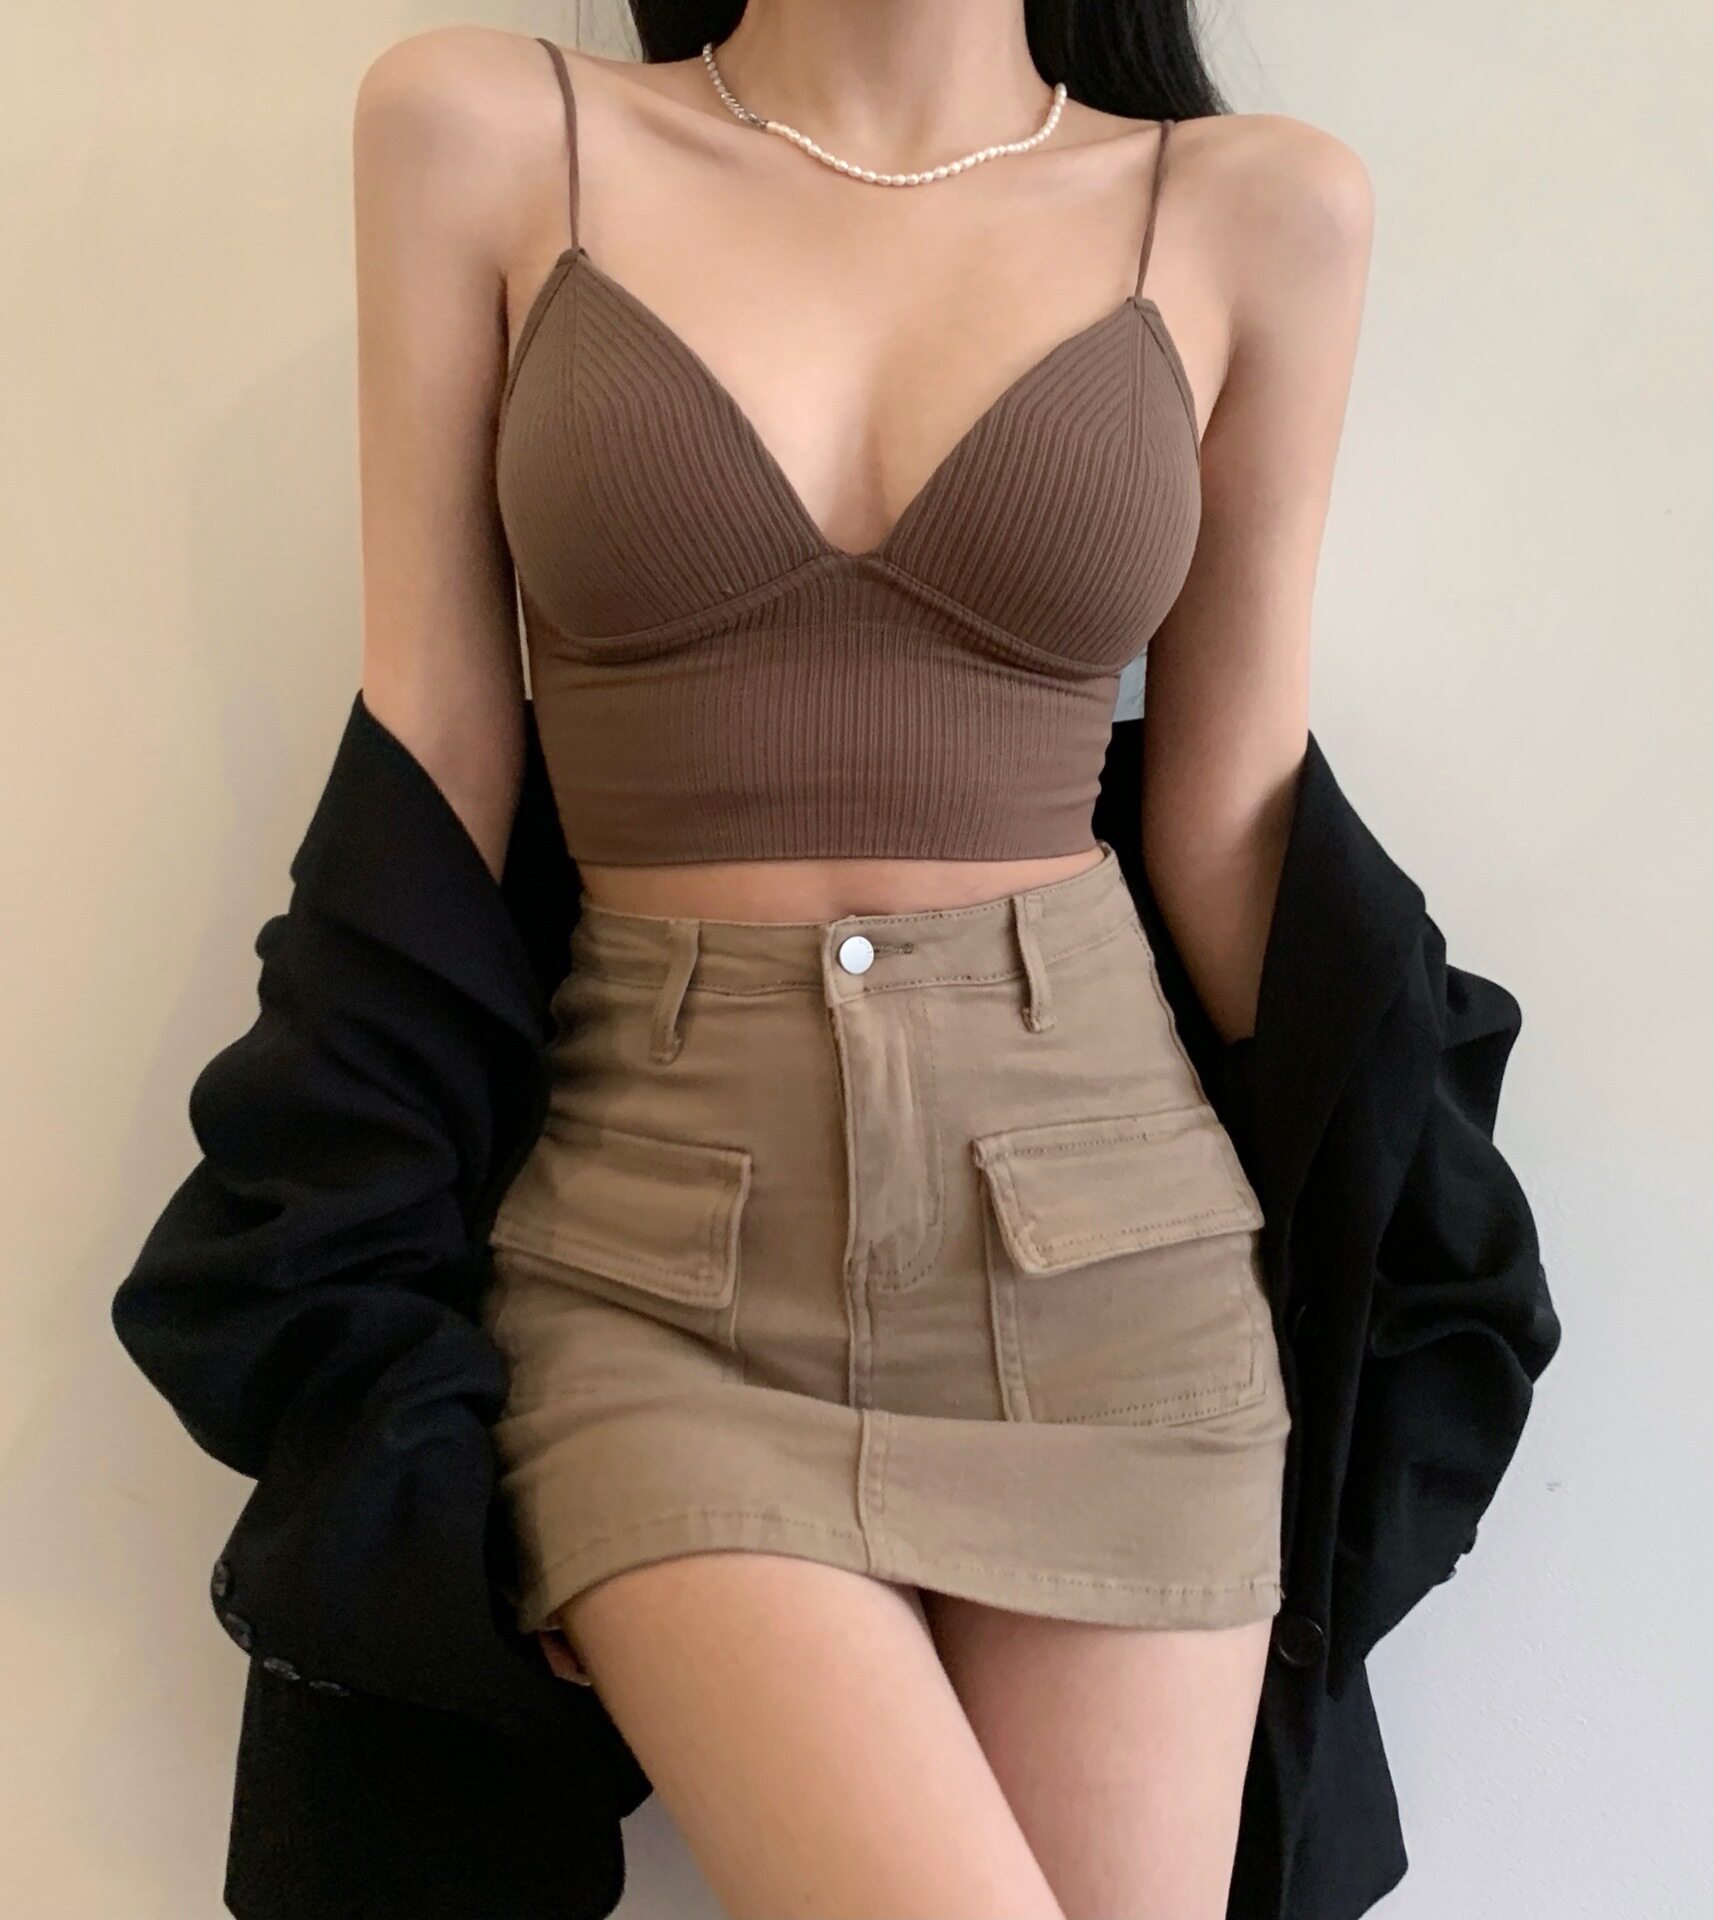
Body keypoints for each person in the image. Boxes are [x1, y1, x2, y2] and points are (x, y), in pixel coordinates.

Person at [348, 6, 1372, 1915]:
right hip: (655, 1256)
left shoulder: (1254, 205)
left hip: (1112, 1259)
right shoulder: (488, 127)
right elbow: (434, 753)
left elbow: (1229, 820)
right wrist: (339, 1232)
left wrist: (1400, 1200)